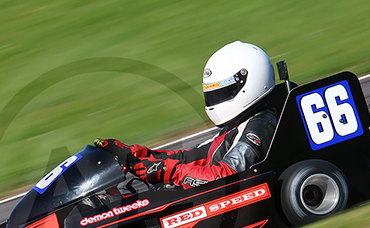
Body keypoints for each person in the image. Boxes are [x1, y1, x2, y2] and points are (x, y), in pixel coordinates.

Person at [94, 41, 279, 189]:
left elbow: (225, 177)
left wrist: (168, 172)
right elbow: (191, 157)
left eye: (221, 93)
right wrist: (136, 155)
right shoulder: (240, 123)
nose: (214, 100)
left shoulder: (260, 125)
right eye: (212, 94)